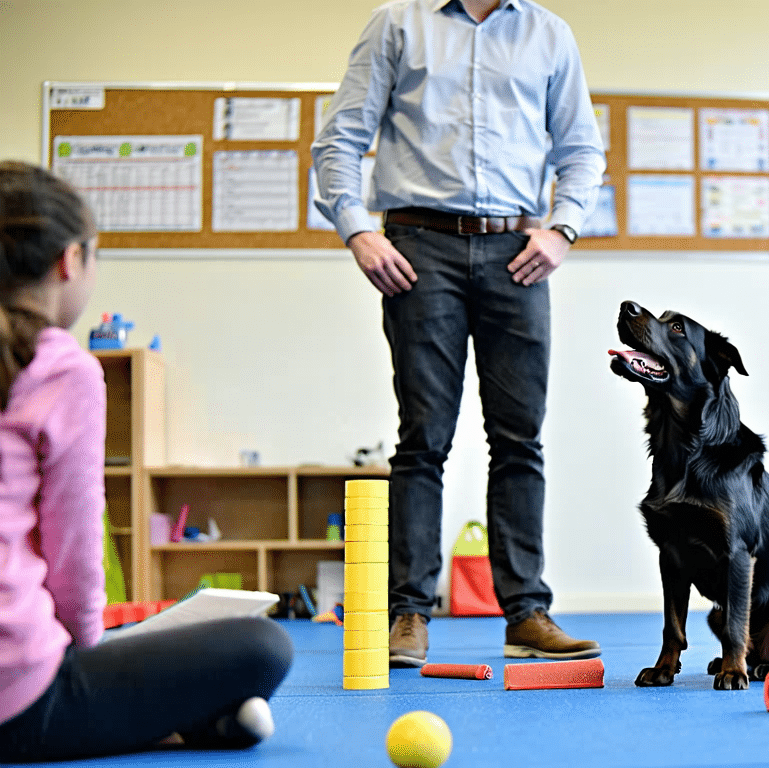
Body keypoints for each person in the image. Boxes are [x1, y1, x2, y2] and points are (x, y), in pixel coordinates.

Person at [312, 0, 606, 667]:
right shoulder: (398, 25)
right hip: (419, 246)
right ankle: (409, 614)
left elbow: (582, 150)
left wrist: (562, 230)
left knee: (518, 439)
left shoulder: (548, 34)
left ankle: (527, 613)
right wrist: (358, 229)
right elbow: (341, 138)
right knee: (423, 439)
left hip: (518, 252)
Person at [0, 161, 293, 761]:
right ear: (70, 261)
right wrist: (85, 653)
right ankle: (182, 722)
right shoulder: (63, 370)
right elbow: (75, 556)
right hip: (19, 701)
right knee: (265, 647)